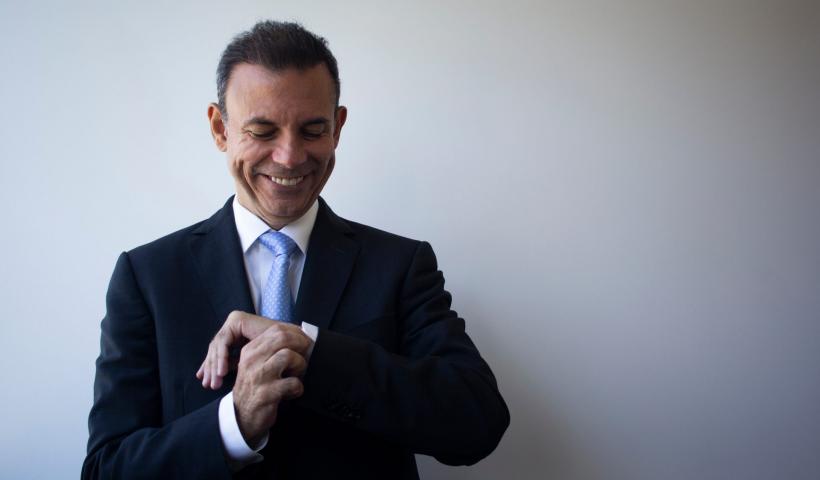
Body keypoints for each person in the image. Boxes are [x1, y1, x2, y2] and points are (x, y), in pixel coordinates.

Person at [83, 20, 509, 480]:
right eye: (262, 131)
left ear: (337, 128)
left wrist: (313, 353)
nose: (289, 157)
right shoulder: (147, 277)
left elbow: (478, 422)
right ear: (220, 129)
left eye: (311, 130)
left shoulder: (401, 265)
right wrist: (233, 425)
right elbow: (106, 468)